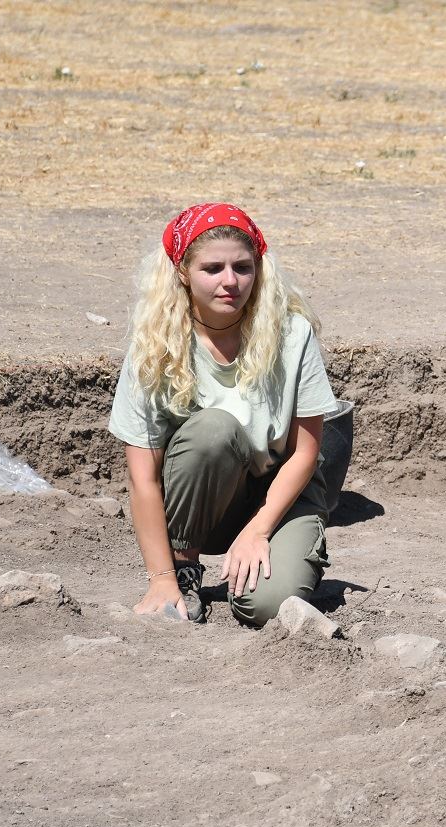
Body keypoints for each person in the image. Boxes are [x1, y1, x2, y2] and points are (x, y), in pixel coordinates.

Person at [109, 202, 338, 626]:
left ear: (259, 269)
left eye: (243, 267)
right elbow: (142, 477)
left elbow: (306, 453)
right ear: (182, 272)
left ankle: (273, 548)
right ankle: (183, 567)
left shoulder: (292, 333)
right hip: (203, 503)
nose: (230, 282)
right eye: (212, 269)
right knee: (213, 429)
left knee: (265, 607)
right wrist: (161, 578)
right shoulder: (155, 345)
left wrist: (258, 530)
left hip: (280, 494)